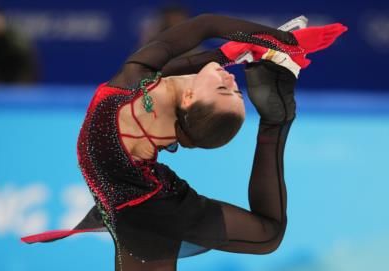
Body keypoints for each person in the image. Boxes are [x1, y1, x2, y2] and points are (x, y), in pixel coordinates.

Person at [21, 14, 347, 271]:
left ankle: (275, 121)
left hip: (141, 199)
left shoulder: (133, 80)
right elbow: (190, 59)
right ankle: (275, 122)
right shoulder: (148, 83)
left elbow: (205, 27)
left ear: (189, 99)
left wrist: (265, 43)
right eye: (234, 91)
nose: (231, 80)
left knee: (269, 234)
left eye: (225, 90)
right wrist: (263, 44)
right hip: (131, 196)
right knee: (270, 234)